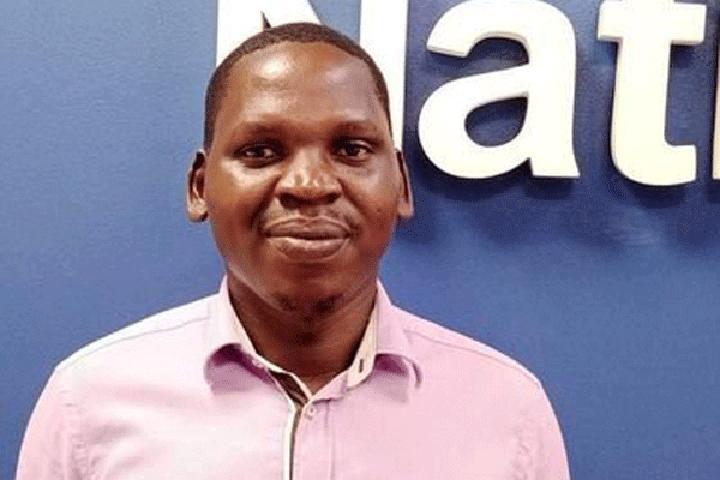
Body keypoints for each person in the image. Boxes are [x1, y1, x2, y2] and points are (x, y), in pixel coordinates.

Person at [17, 23, 570, 480]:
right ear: (200, 187)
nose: (309, 184)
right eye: (261, 152)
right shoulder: (86, 405)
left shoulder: (507, 414)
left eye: (351, 149)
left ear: (401, 185)